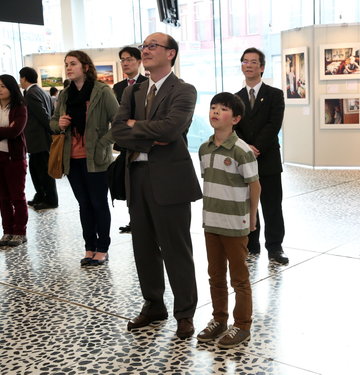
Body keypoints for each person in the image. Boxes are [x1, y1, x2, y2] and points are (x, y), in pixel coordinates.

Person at [111, 32, 202, 339]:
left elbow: (172, 128)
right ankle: (153, 305)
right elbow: (117, 132)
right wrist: (147, 133)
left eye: (152, 46)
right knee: (144, 247)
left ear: (171, 54)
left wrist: (137, 127)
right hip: (135, 176)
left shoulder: (184, 90)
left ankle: (185, 313)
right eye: (144, 47)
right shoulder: (132, 91)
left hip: (170, 180)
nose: (145, 51)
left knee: (176, 248)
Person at [197, 92, 260, 348]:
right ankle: (219, 320)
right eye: (213, 107)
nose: (215, 112)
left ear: (235, 119)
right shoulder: (204, 148)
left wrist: (252, 216)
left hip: (235, 224)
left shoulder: (242, 150)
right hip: (211, 222)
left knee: (239, 278)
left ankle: (242, 325)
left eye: (222, 109)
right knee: (215, 275)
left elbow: (254, 186)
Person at [50, 50, 119, 266]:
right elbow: (53, 122)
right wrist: (58, 124)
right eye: (66, 64)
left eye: (73, 64)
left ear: (85, 67)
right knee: (84, 204)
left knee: (99, 203)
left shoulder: (101, 91)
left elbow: (118, 123)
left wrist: (102, 144)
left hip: (96, 159)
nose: (69, 68)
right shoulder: (65, 94)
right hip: (72, 158)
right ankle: (89, 247)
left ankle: (103, 248)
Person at [235, 47, 288, 265]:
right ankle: (251, 245)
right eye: (245, 61)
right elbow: (233, 126)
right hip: (243, 161)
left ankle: (275, 248)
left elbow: (273, 125)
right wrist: (246, 148)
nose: (248, 65)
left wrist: (255, 147)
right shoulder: (235, 98)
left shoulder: (275, 94)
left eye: (253, 62)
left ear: (262, 67)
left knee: (272, 205)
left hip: (268, 160)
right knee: (249, 206)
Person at [113, 46, 148, 234]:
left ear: (139, 62)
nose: (126, 63)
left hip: (142, 138)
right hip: (125, 140)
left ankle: (144, 220)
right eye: (123, 60)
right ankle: (133, 219)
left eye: (130, 59)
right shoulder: (118, 87)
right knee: (129, 183)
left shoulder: (147, 82)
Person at [19, 67, 58, 211]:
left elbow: (43, 116)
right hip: (38, 140)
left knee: (44, 171)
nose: (20, 81)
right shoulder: (41, 91)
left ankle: (51, 199)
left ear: (24, 78)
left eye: (20, 78)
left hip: (39, 139)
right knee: (36, 170)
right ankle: (40, 195)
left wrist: (51, 132)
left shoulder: (31, 94)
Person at [0, 75, 28, 247]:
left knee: (17, 197)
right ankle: (7, 231)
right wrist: (5, 129)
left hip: (14, 158)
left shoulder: (20, 107)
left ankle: (19, 232)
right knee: (2, 198)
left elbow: (15, 132)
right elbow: (8, 131)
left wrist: (8, 131)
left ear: (11, 88)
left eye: (3, 86)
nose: (0, 89)